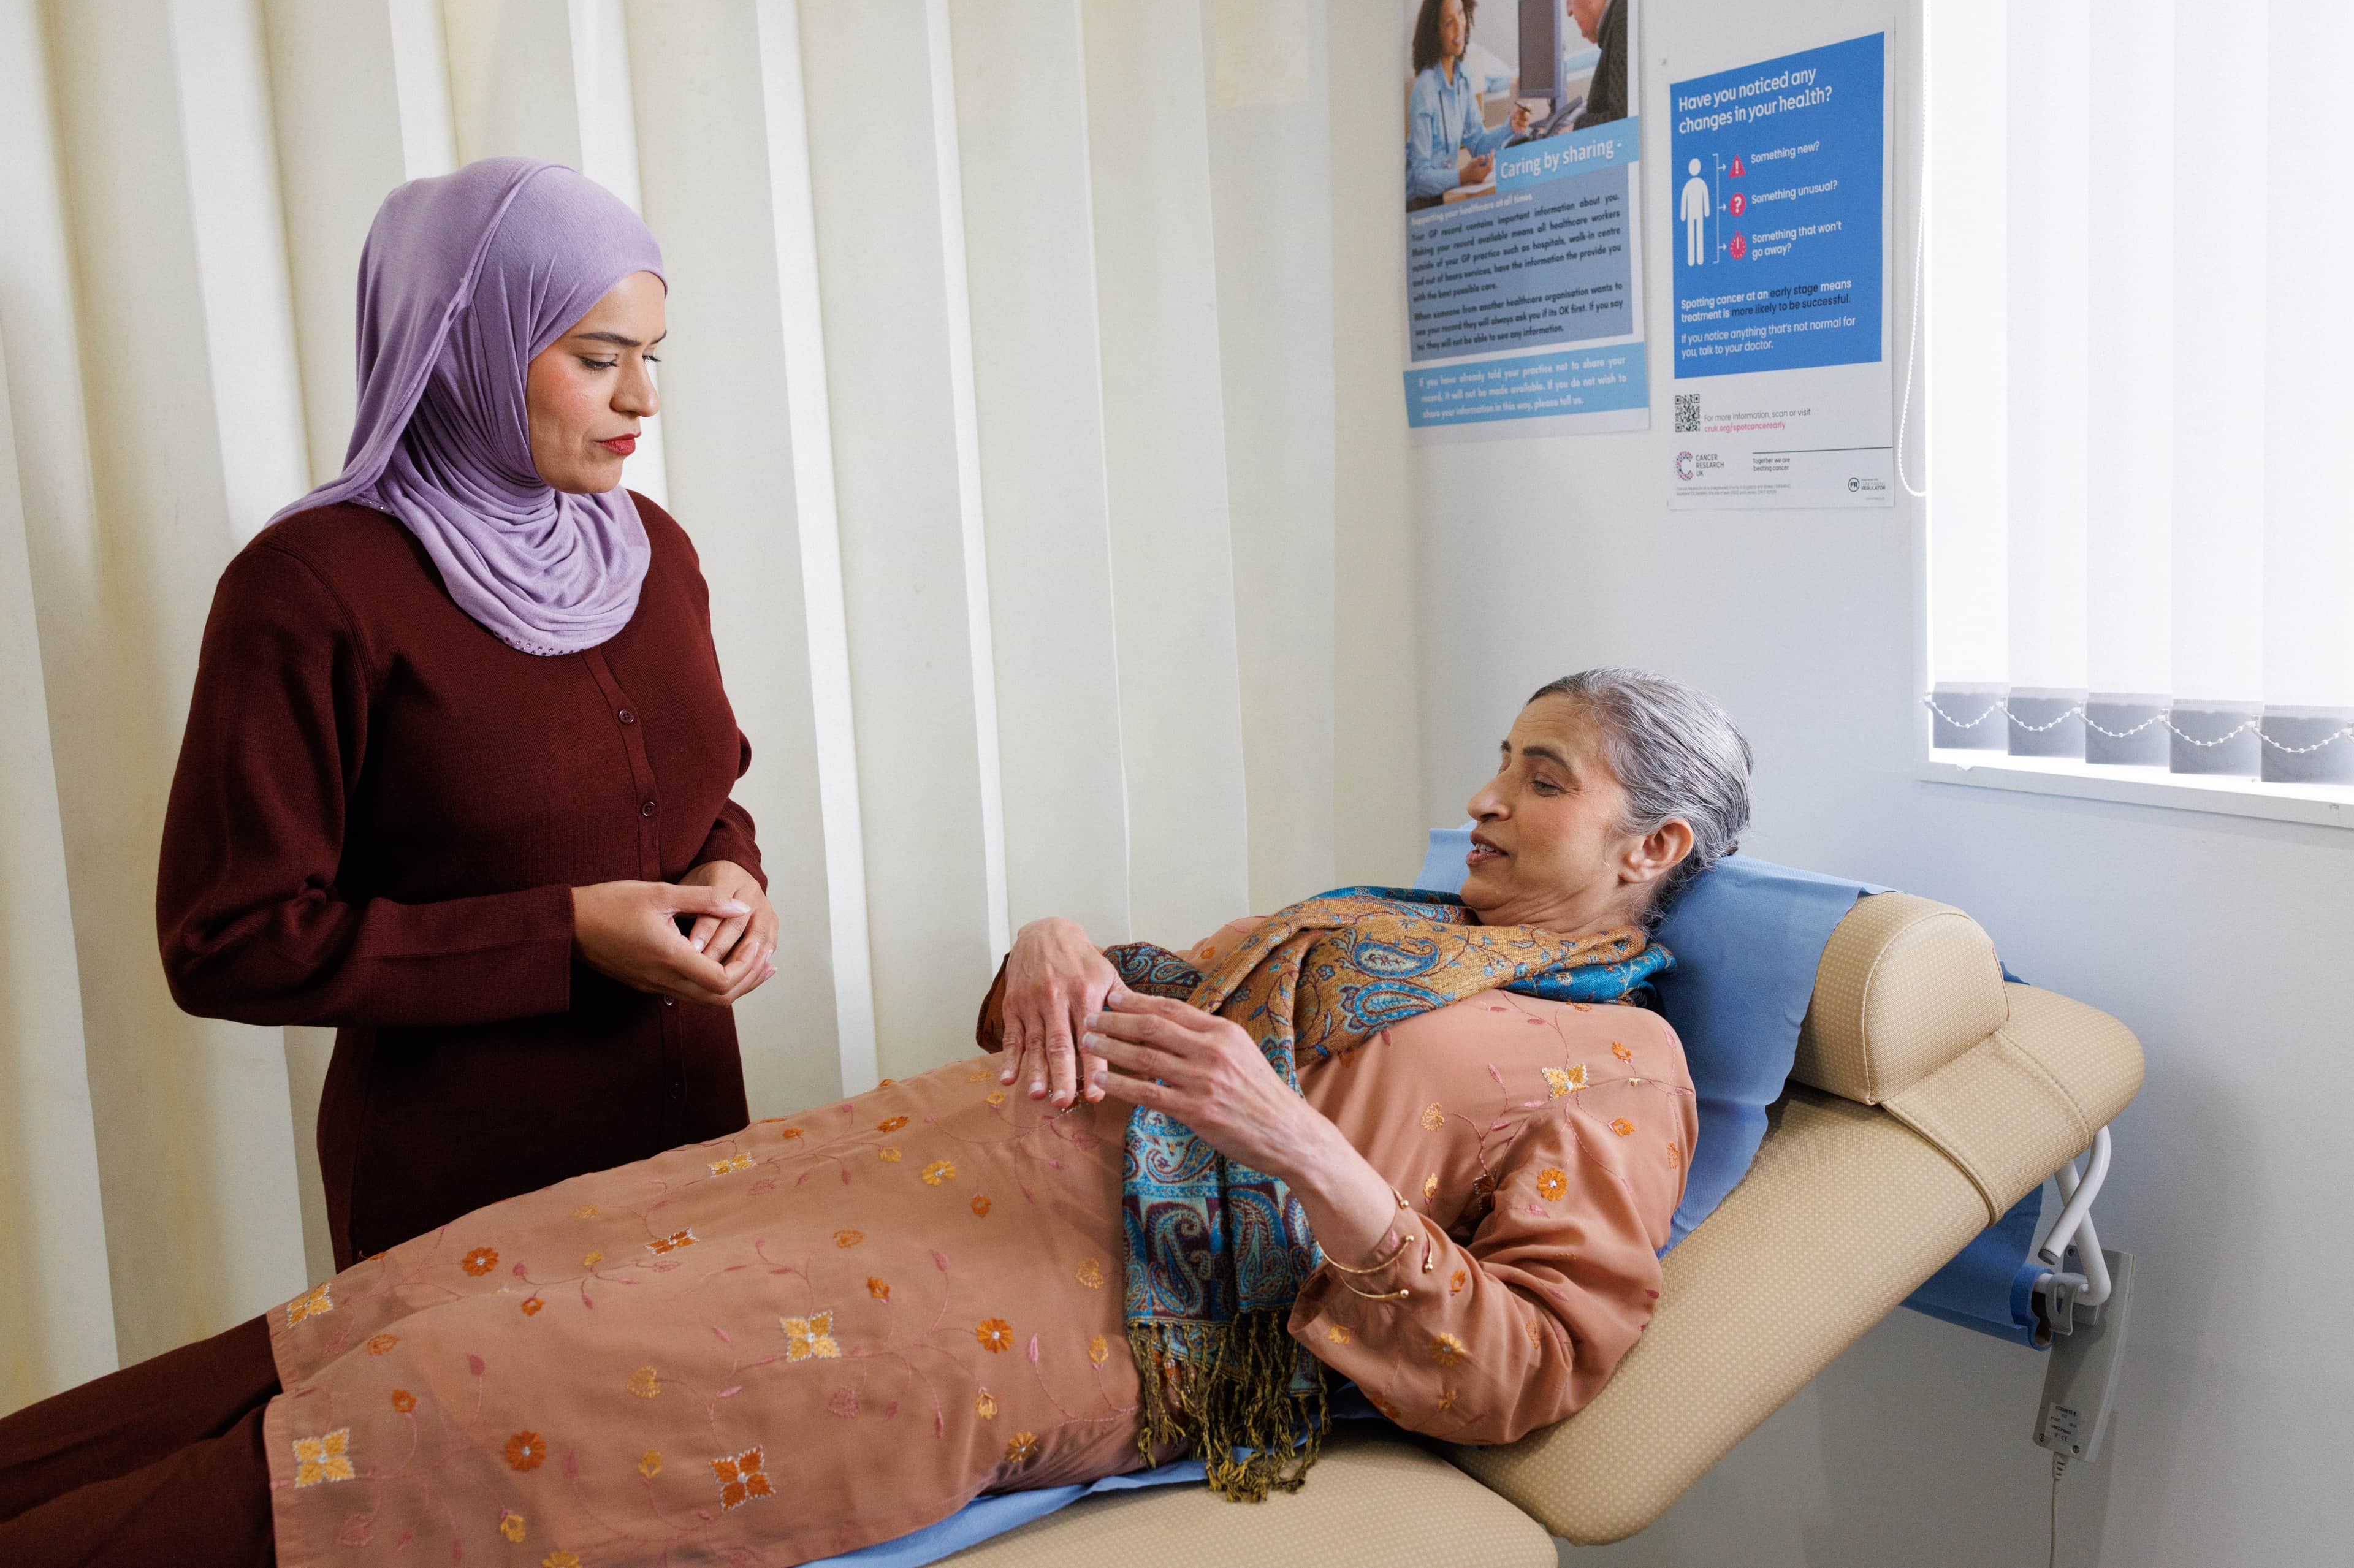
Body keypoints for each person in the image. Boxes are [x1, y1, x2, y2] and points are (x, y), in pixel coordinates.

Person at [6, 669, 1753, 1567]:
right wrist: (1058, 952)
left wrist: (1301, 1146)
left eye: (1543, 777)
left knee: (470, 1398)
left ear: (1652, 850)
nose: (1483, 797)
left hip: (1080, 1313)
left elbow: (1534, 1361)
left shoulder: (1622, 1070)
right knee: (436, 1286)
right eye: (1502, 759)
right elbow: (1100, 1028)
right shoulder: (1392, 927)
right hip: (914, 1162)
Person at [153, 159, 780, 1271]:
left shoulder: (651, 550)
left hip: (698, 1173)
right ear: (466, 344)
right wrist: (565, 936)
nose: (643, 399)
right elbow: (229, 940)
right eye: (598, 359)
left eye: (650, 357)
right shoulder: (311, 587)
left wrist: (735, 876)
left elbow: (704, 794)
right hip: (467, 1220)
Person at [1405, 0, 1532, 207]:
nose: (1459, 28)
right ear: (1434, 32)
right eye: (1448, 23)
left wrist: (1511, 127)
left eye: (1461, 14)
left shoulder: (1462, 75)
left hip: (1444, 196)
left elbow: (1479, 144)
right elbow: (1420, 179)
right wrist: (1463, 176)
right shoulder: (1425, 90)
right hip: (1418, 204)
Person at [1571, 0, 1629, 131]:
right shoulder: (1621, 16)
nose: (1569, 10)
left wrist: (1576, 128)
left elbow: (1621, 121)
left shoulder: (1623, 19)